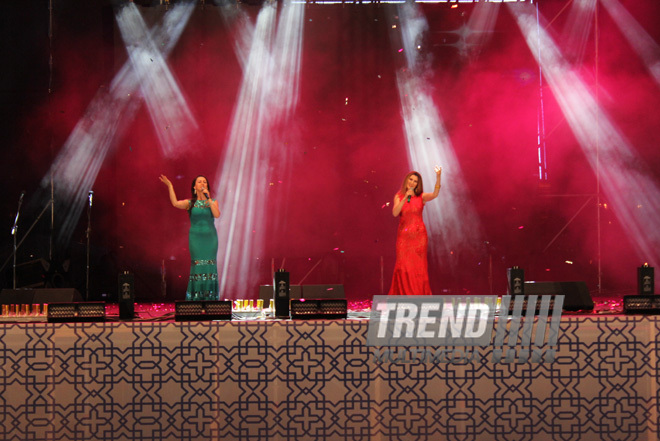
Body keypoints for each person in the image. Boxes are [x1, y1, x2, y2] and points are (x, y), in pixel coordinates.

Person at [160, 174, 221, 300]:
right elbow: (175, 203)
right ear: (194, 187)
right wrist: (170, 186)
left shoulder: (213, 202)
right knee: (198, 266)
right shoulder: (190, 203)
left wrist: (208, 198)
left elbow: (216, 214)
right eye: (199, 182)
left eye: (205, 182)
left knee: (210, 266)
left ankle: (210, 298)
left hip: (210, 239)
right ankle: (196, 298)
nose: (202, 183)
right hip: (196, 239)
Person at [388, 166, 442, 296]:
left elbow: (435, 194)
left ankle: (418, 297)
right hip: (404, 237)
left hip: (419, 237)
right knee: (403, 267)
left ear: (418, 184)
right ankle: (403, 297)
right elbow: (395, 213)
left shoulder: (421, 197)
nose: (412, 183)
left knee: (418, 268)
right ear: (406, 181)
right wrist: (405, 197)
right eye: (410, 180)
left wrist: (438, 176)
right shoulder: (399, 196)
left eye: (415, 181)